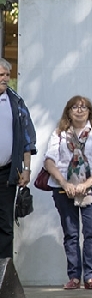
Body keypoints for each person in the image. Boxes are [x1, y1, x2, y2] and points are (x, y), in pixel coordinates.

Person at [43, 96, 92, 290]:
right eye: (75, 107)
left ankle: (90, 276)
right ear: (68, 111)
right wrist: (64, 183)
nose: (79, 110)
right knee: (70, 233)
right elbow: (49, 161)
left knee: (91, 233)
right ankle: (74, 276)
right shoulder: (59, 133)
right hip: (64, 189)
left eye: (84, 107)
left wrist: (88, 183)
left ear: (89, 111)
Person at [0, 58, 36, 260]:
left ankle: (3, 274)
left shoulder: (16, 101)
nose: (5, 79)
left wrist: (27, 169)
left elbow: (27, 138)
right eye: (1, 75)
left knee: (5, 223)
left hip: (7, 172)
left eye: (7, 75)